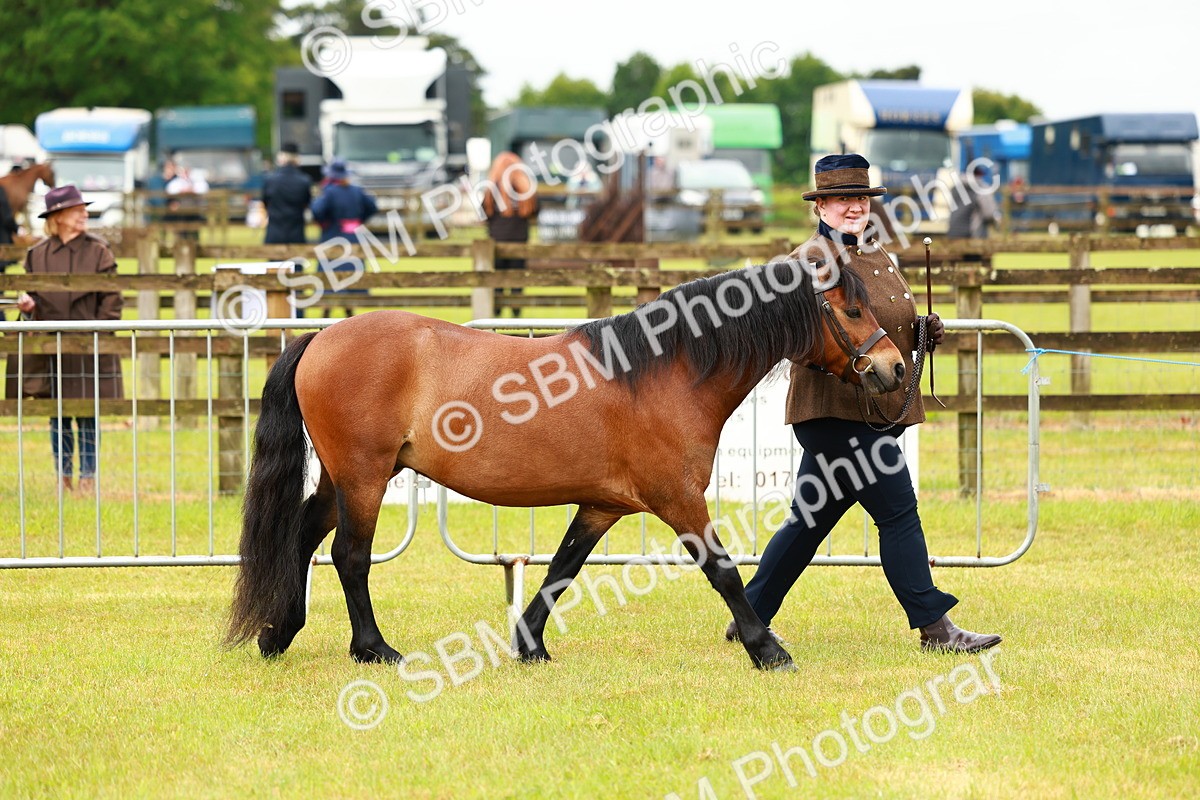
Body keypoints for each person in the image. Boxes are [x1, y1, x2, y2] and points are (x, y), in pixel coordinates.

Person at [726, 154, 1002, 654]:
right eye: (842, 200)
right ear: (821, 206)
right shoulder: (808, 261)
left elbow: (879, 324)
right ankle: (936, 628)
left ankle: (750, 614)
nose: (854, 207)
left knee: (808, 522)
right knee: (898, 513)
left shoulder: (875, 251)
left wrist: (919, 331)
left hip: (875, 410)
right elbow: (790, 338)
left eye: (860, 198)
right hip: (834, 413)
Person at [10, 185, 124, 494]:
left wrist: (97, 334)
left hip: (89, 348)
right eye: (77, 210)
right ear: (58, 217)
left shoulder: (99, 251)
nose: (84, 214)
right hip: (52, 349)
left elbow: (112, 300)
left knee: (87, 414)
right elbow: (31, 298)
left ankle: (88, 478)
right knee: (57, 415)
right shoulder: (37, 254)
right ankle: (63, 478)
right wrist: (29, 308)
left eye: (84, 209)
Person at [311, 159, 377, 316]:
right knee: (350, 276)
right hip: (354, 237)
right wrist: (359, 220)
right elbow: (373, 206)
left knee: (330, 278)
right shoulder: (357, 190)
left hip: (333, 236)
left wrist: (325, 222)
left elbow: (317, 210)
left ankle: (326, 315)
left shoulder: (330, 191)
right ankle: (349, 316)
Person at [481, 151, 538, 317]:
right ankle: (516, 314)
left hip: (497, 243)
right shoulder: (525, 188)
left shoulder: (492, 189)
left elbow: (484, 213)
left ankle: (496, 315)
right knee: (517, 281)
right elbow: (535, 211)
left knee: (496, 281)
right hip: (519, 242)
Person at [261, 142, 313, 245]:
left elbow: (265, 202)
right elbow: (307, 203)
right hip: (296, 234)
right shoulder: (304, 181)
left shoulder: (270, 180)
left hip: (274, 233)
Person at [947, 164, 1002, 239]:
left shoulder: (956, 187)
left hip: (953, 230)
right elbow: (989, 213)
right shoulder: (981, 188)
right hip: (972, 233)